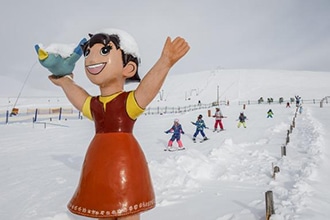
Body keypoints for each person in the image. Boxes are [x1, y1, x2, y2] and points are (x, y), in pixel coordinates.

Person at [35, 29, 190, 220]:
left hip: (127, 163)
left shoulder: (128, 103)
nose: (91, 59)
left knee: (128, 210)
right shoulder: (95, 105)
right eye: (88, 53)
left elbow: (146, 90)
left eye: (104, 51)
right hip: (98, 163)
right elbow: (80, 98)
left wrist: (165, 61)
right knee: (103, 208)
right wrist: (66, 83)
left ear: (129, 69)